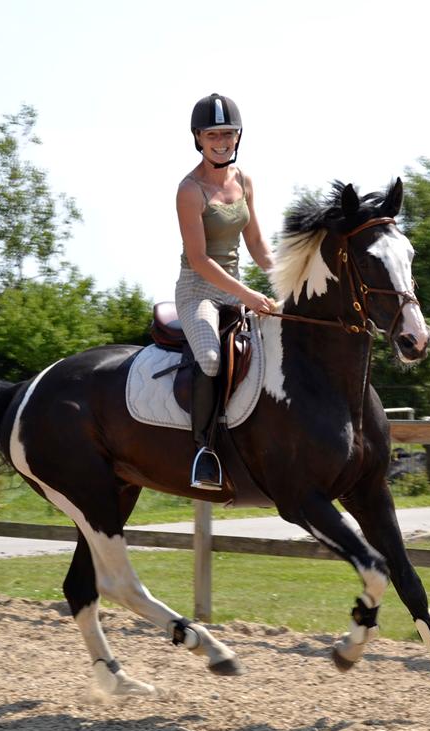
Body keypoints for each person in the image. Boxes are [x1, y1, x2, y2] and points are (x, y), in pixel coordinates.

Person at [176, 92, 278, 490]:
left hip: (236, 291)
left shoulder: (245, 181)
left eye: (229, 134)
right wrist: (250, 296)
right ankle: (204, 451)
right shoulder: (189, 190)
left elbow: (256, 246)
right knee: (211, 357)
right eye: (214, 134)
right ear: (198, 138)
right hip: (198, 292)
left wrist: (285, 281)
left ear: (238, 137)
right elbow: (200, 260)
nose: (222, 141)